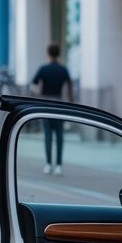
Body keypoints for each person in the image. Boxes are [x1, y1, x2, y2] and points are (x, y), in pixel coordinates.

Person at [30, 43, 74, 175]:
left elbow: (34, 84)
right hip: (59, 104)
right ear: (59, 54)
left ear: (48, 54)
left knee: (48, 135)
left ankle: (48, 164)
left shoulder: (43, 69)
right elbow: (70, 88)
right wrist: (72, 104)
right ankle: (59, 165)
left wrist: (37, 96)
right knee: (59, 136)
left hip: (45, 104)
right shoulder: (63, 69)